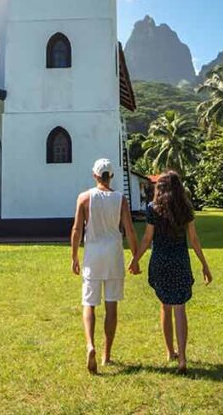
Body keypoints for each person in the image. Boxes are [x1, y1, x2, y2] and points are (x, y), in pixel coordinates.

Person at [129, 170, 212, 374]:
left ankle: (169, 352)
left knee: (165, 306)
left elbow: (148, 239)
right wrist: (204, 263)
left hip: (161, 261)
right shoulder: (185, 209)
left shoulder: (153, 208)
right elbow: (194, 239)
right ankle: (182, 358)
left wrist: (135, 258)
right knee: (180, 308)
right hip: (180, 261)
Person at [71, 157, 139, 374]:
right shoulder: (120, 199)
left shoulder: (84, 198)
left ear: (95, 175)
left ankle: (90, 344)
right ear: (111, 176)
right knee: (111, 306)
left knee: (89, 303)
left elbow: (76, 230)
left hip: (93, 253)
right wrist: (135, 257)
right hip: (114, 254)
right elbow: (129, 230)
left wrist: (74, 256)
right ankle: (106, 355)